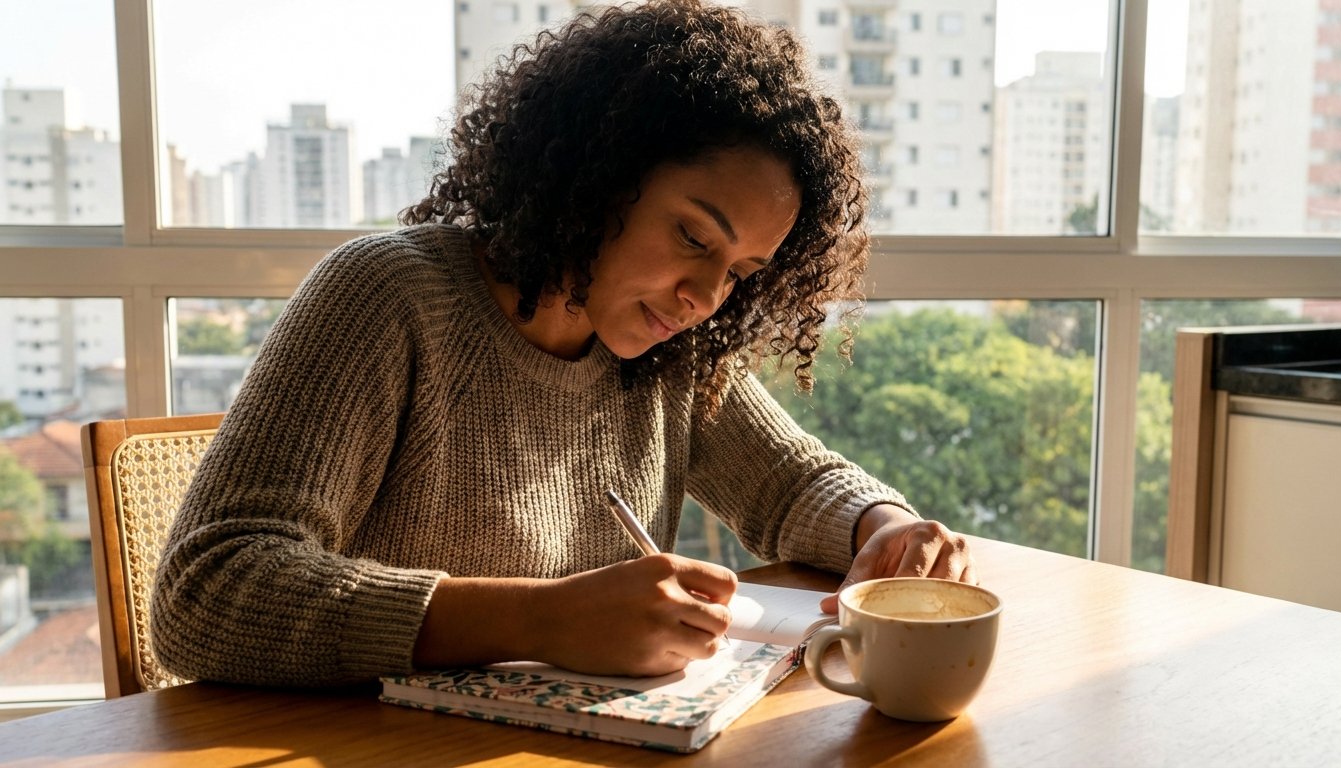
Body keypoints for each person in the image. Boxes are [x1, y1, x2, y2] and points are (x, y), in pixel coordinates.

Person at [151, 0, 975, 688]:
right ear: (600, 173)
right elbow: (205, 592)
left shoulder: (670, 351)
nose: (706, 297)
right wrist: (541, 618)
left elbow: (795, 485)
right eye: (693, 236)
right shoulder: (389, 297)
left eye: (741, 272)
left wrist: (885, 526)